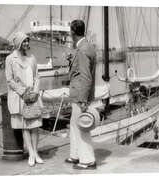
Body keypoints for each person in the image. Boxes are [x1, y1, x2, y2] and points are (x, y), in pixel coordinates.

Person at [5, 31, 44, 167]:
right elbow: (9, 80)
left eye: (28, 41)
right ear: (18, 43)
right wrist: (23, 92)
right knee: (25, 126)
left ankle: (36, 152)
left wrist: (35, 92)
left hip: (32, 97)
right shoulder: (10, 59)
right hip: (20, 97)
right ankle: (31, 154)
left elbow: (37, 77)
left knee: (35, 126)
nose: (27, 43)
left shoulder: (32, 58)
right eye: (24, 41)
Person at [65, 20, 97, 170]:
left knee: (81, 126)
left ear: (72, 32)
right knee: (74, 125)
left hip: (79, 96)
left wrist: (83, 101)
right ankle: (75, 155)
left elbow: (85, 77)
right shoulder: (86, 47)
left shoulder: (83, 50)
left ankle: (87, 160)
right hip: (78, 94)